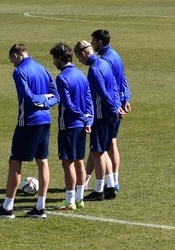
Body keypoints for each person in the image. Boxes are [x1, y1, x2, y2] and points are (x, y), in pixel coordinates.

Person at [0, 43, 59, 220]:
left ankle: (7, 207)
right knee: (43, 161)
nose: (13, 64)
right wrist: (46, 102)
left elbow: (29, 98)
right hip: (45, 120)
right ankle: (40, 207)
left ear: (17, 55)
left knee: (15, 162)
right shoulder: (42, 69)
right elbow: (56, 96)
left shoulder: (19, 72)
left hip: (28, 122)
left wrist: (40, 100)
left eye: (12, 60)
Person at [75, 41, 123, 202]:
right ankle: (110, 186)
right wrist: (117, 106)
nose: (79, 62)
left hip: (101, 115)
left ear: (83, 53)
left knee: (98, 151)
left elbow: (103, 92)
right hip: (110, 114)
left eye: (78, 58)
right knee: (105, 148)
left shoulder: (94, 69)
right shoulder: (104, 63)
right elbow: (115, 87)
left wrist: (113, 107)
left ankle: (98, 190)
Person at [50, 43, 93, 211]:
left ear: (60, 58)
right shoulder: (81, 75)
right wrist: (88, 119)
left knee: (67, 163)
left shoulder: (62, 78)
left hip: (68, 125)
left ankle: (69, 201)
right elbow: (88, 99)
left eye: (54, 58)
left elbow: (67, 104)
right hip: (82, 125)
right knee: (79, 161)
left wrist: (82, 117)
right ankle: (79, 198)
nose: (54, 62)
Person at [91, 29, 131, 193]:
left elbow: (112, 85)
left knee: (103, 146)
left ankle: (111, 182)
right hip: (118, 103)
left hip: (111, 107)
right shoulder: (116, 55)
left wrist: (117, 106)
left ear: (100, 42)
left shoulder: (105, 60)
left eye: (93, 41)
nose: (92, 44)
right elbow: (123, 78)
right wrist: (126, 98)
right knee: (108, 143)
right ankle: (112, 180)